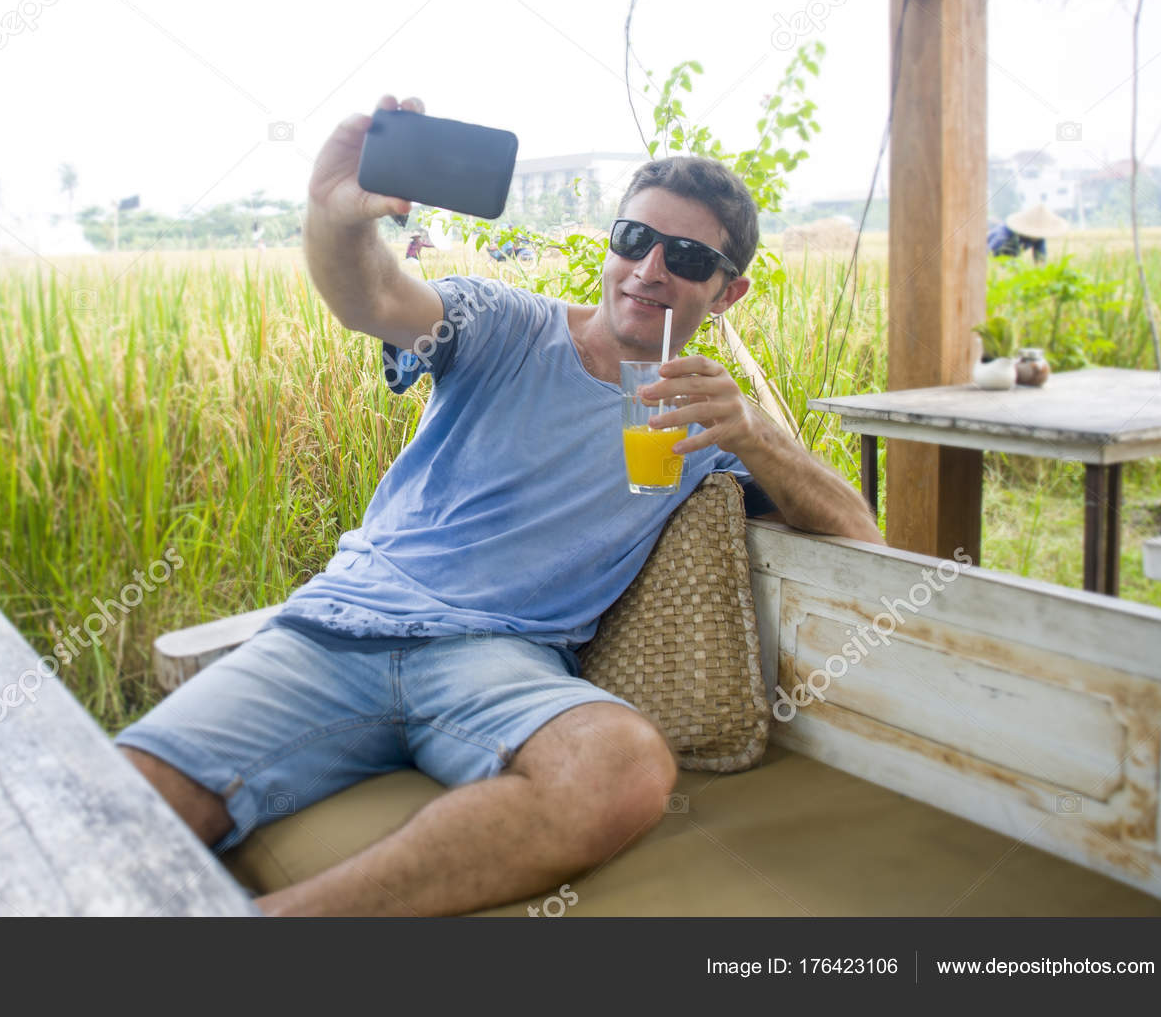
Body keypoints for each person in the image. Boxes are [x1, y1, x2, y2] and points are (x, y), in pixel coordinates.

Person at [116, 93, 881, 917]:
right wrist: (335, 217)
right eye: (635, 239)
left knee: (624, 767)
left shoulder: (708, 420)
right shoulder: (507, 325)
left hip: (501, 660)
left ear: (728, 293)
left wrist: (757, 432)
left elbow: (861, 536)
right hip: (347, 625)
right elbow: (375, 300)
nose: (652, 269)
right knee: (118, 795)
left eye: (689, 258)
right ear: (612, 244)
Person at [987, 202, 1065, 264]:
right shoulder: (1003, 235)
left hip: (1010, 260)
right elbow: (986, 256)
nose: (1037, 237)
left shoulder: (1038, 238)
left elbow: (1040, 261)